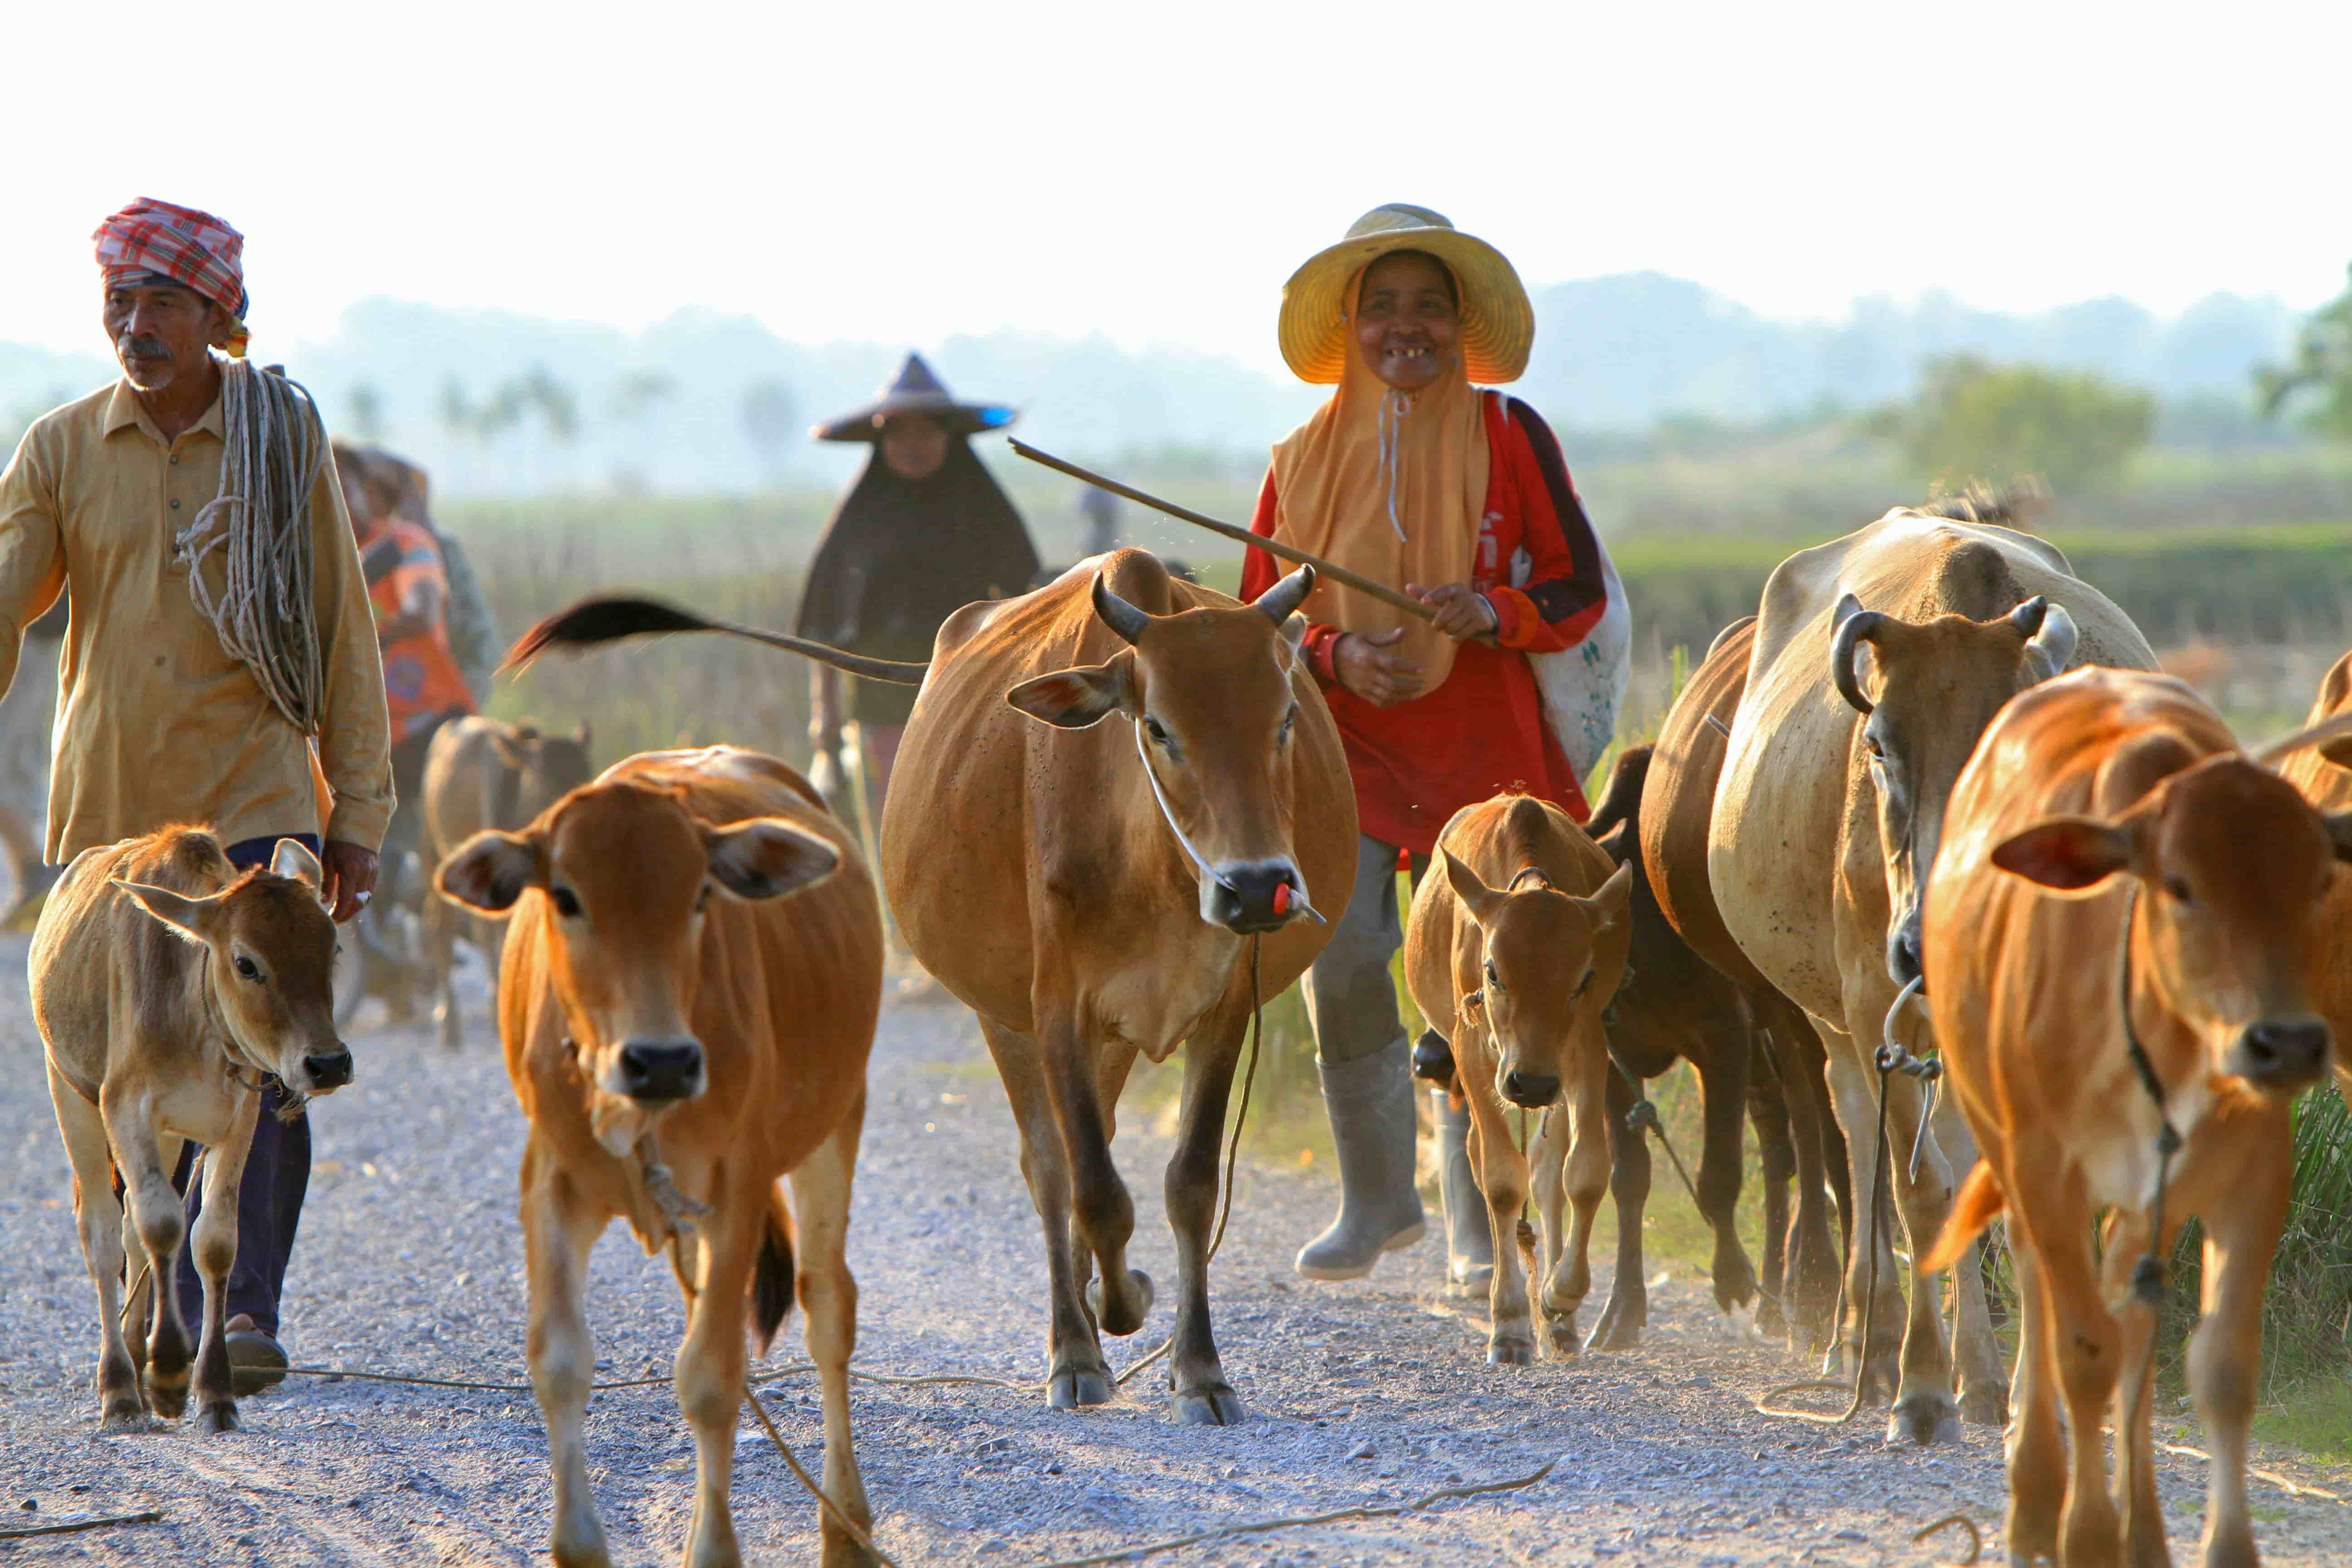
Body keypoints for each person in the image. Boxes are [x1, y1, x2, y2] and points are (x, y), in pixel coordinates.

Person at [0, 199, 393, 1389]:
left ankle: (247, 1310)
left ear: (219, 317)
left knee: (269, 1051)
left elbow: (341, 629)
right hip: (113, 817)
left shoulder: (281, 443)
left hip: (255, 805)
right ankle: (156, 1294)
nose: (137, 324)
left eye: (162, 302)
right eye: (120, 303)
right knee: (130, 1059)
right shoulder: (61, 448)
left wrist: (358, 815)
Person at [1242, 205, 1626, 1288]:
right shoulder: (1297, 458)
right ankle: (1373, 1201)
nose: (1402, 328)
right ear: (1350, 326)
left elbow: (1575, 588)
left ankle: (1478, 1212)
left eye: (1426, 306)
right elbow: (1255, 616)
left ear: (1460, 324)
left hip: (1488, 757)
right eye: (1381, 308)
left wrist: (1491, 610)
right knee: (1347, 956)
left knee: (1488, 969)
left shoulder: (1512, 435)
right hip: (1347, 751)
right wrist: (1329, 656)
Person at [797, 353, 1039, 824]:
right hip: (881, 703)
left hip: (973, 697)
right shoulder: (859, 517)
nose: (913, 445)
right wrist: (823, 720)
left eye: (926, 432)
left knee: (972, 818)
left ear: (948, 436)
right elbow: (822, 622)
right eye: (899, 433)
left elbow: (1027, 604)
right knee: (899, 821)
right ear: (882, 439)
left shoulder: (982, 508)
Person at [337, 441, 475, 923]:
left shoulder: (400, 546)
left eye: (348, 484)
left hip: (424, 720)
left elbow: (421, 610)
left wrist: (369, 635)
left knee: (433, 846)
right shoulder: (322, 554)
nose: (340, 496)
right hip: (363, 730)